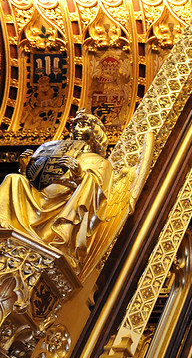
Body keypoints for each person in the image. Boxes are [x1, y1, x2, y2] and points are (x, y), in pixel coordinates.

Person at [0, 111, 111, 268]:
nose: (77, 129)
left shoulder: (100, 162)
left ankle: (57, 237)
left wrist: (79, 176)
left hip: (66, 203)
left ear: (96, 133)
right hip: (44, 197)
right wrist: (27, 169)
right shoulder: (61, 152)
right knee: (13, 179)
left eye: (83, 125)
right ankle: (5, 227)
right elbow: (44, 182)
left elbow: (94, 193)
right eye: (74, 125)